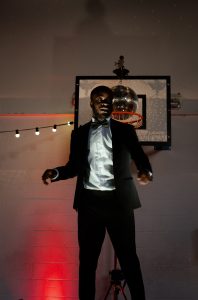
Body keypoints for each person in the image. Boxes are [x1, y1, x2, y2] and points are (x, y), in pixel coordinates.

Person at [42, 85, 153, 300]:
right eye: (98, 99)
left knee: (129, 259)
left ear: (113, 104)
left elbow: (140, 157)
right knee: (87, 263)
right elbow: (73, 166)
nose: (103, 103)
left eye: (108, 100)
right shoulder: (79, 133)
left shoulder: (125, 130)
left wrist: (146, 171)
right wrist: (55, 173)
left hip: (119, 203)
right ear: (91, 103)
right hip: (89, 205)